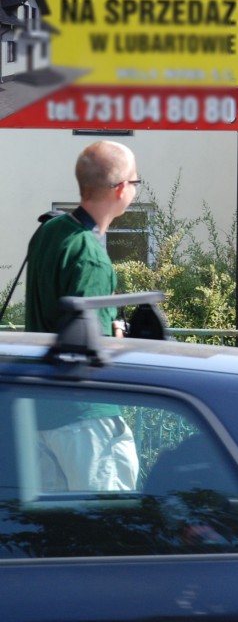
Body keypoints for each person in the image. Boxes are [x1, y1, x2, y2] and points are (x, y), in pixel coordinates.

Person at [25, 140, 141, 491]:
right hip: (85, 417)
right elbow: (92, 347)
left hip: (42, 413)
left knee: (58, 534)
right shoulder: (91, 256)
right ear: (121, 189)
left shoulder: (49, 232)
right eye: (137, 182)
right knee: (109, 529)